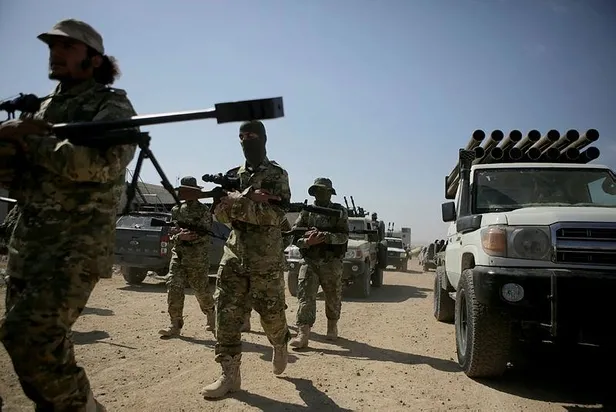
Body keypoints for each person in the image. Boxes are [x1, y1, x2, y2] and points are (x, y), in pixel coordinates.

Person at [0, 19, 137, 412]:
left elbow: (100, 166)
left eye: (67, 47)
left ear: (93, 59)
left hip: (75, 246)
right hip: (28, 244)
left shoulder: (110, 106)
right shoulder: (43, 107)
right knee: (36, 347)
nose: (55, 54)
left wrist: (32, 142)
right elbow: (17, 177)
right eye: (52, 47)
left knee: (29, 337)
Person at [201, 120, 291, 399]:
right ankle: (230, 375)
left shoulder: (277, 175)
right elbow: (220, 216)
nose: (245, 140)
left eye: (250, 135)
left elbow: (274, 216)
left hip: (266, 259)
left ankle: (280, 343)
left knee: (272, 317)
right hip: (234, 255)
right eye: (241, 136)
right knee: (226, 315)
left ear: (263, 138)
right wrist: (239, 204)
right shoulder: (231, 176)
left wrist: (237, 203)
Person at [289, 178, 349, 349]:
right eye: (317, 191)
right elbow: (295, 236)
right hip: (310, 261)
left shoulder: (339, 211)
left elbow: (344, 236)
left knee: (333, 296)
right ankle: (303, 333)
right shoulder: (307, 212)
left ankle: (332, 326)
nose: (320, 194)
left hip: (331, 262)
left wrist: (326, 237)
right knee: (305, 296)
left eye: (323, 191)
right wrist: (308, 242)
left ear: (330, 193)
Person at [159, 176, 216, 338]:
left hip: (197, 257)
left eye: (184, 190)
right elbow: (172, 233)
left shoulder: (203, 212)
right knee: (173, 286)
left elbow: (204, 235)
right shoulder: (176, 210)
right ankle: (175, 324)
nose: (181, 193)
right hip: (178, 255)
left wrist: (186, 236)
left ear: (194, 192)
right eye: (181, 190)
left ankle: (211, 313)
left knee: (200, 290)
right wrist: (177, 235)